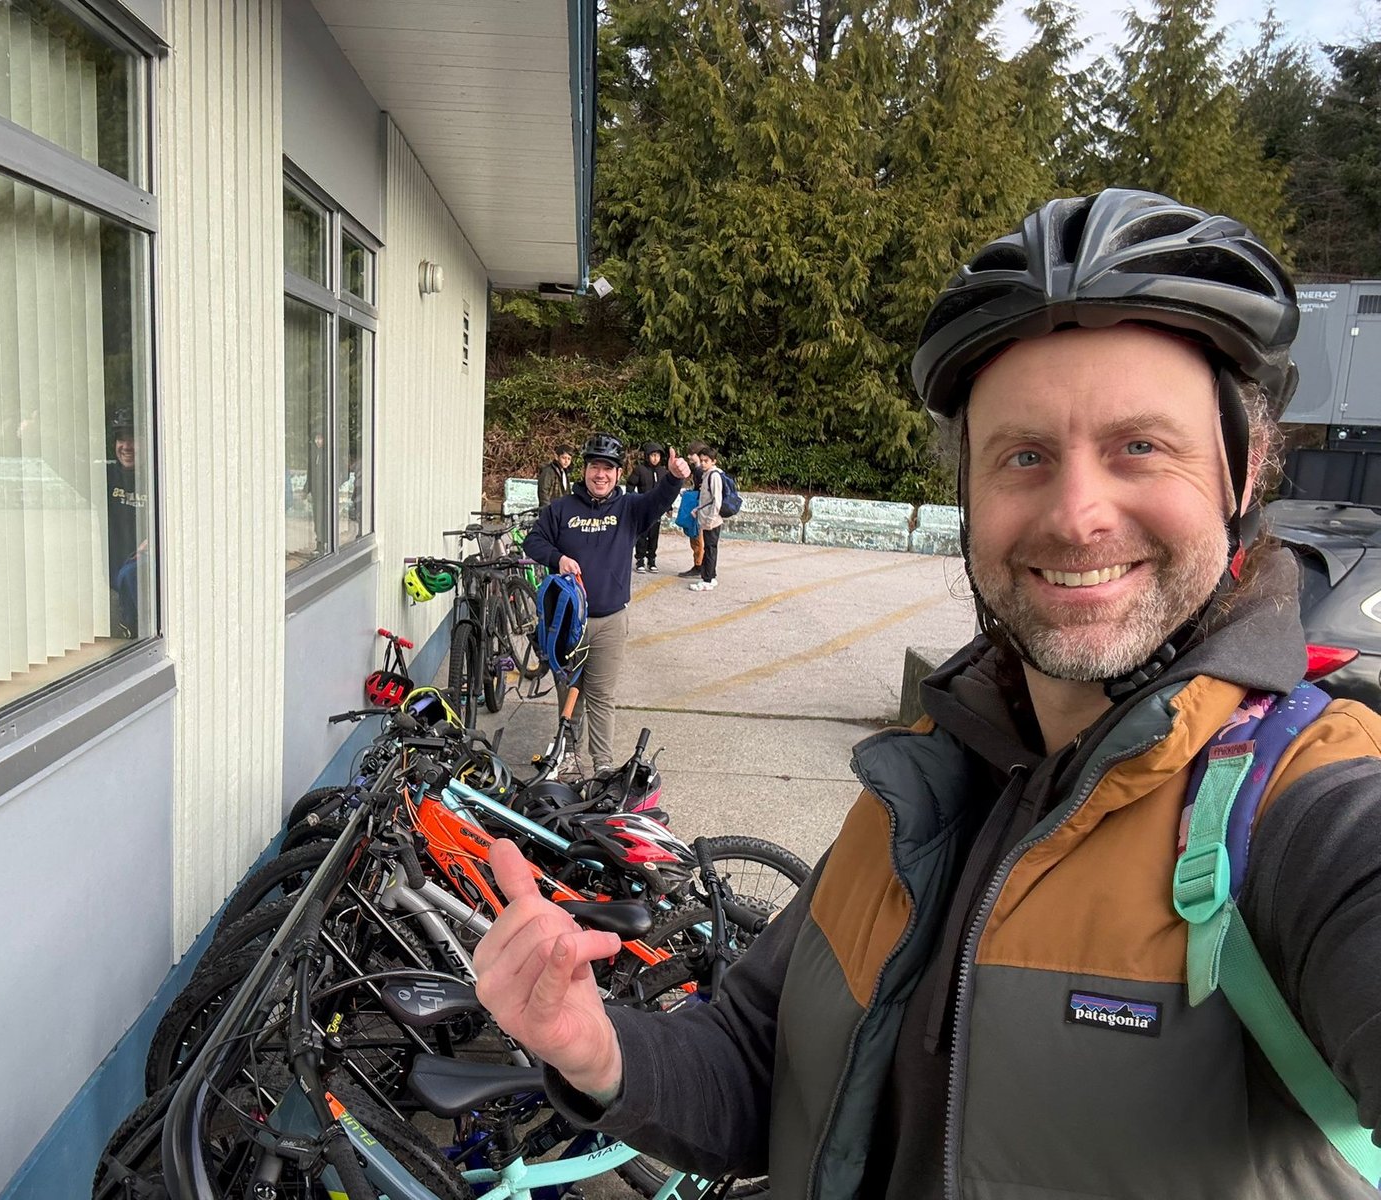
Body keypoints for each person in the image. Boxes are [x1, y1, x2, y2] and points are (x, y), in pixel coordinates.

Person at [473, 190, 1381, 1199]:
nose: (1077, 515)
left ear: (1242, 470)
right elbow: (750, 1064)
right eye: (1023, 456)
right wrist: (599, 1051)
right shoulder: (917, 787)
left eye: (1140, 447)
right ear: (971, 495)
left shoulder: (1307, 811)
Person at [524, 433, 689, 775]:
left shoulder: (629, 508)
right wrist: (558, 558)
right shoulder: (561, 509)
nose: (601, 474)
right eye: (595, 466)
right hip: (568, 620)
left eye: (608, 468)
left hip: (611, 620)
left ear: (617, 473)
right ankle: (569, 755)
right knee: (570, 693)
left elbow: (657, 501)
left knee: (601, 695)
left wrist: (674, 477)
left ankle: (602, 764)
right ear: (585, 470)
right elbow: (533, 541)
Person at [105, 407, 147, 637]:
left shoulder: (159, 476)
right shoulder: (107, 477)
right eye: (121, 438)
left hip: (148, 587)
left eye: (133, 439)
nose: (126, 446)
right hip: (116, 587)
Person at [627, 441, 669, 572]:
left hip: (657, 508)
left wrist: (669, 507)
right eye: (652, 455)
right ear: (647, 456)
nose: (655, 458)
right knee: (641, 535)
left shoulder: (663, 472)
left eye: (657, 455)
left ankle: (652, 560)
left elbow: (667, 491)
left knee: (654, 535)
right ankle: (640, 560)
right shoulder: (640, 469)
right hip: (642, 507)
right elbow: (630, 485)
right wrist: (634, 499)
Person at [689, 445, 726, 591]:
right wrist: (697, 510)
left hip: (712, 520)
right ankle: (711, 576)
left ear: (714, 461)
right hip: (706, 518)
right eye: (702, 460)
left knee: (709, 549)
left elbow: (717, 500)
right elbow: (706, 500)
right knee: (710, 548)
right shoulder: (707, 474)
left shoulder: (714, 476)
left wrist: (710, 520)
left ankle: (707, 579)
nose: (703, 463)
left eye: (706, 461)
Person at [676, 442, 708, 578]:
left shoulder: (700, 471)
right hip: (700, 508)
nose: (689, 456)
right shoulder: (699, 470)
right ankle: (701, 564)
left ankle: (699, 565)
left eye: (691, 454)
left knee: (698, 538)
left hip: (699, 509)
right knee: (698, 538)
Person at [536, 443, 574, 509]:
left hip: (561, 510)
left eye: (569, 459)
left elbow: (567, 493)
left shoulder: (565, 472)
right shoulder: (548, 471)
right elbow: (543, 491)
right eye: (564, 458)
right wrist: (546, 509)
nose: (566, 461)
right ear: (556, 457)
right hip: (550, 510)